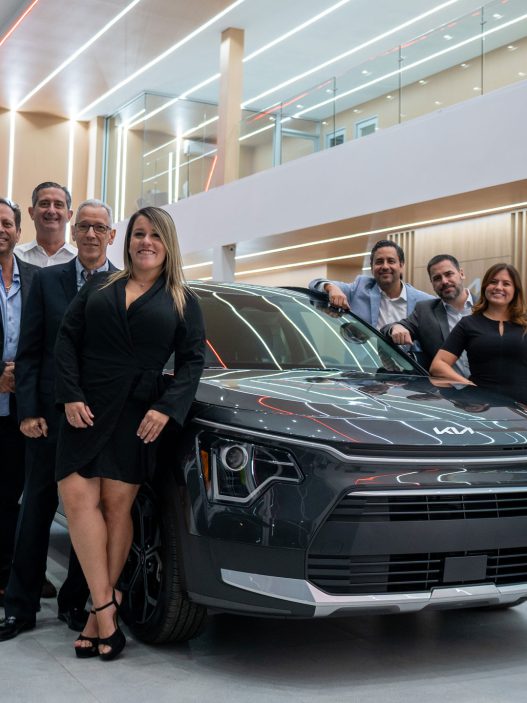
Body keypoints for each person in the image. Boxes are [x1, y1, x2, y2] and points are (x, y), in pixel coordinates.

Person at [54, 206, 205, 660]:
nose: (146, 242)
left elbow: (192, 362)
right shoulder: (101, 284)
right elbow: (66, 339)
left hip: (138, 413)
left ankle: (97, 618)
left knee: (116, 508)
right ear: (127, 240)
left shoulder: (182, 298)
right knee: (77, 498)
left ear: (168, 244)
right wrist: (70, 394)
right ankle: (106, 609)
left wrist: (167, 409)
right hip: (85, 405)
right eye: (139, 234)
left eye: (155, 235)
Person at [0, 199, 117, 642]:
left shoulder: (124, 284)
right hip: (48, 419)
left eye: (99, 227)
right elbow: (29, 353)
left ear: (111, 235)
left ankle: (75, 603)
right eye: (83, 226)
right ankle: (20, 607)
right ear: (73, 230)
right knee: (35, 512)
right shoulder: (47, 281)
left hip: (98, 423)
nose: (90, 234)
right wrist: (28, 411)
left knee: (91, 516)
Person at [0, 199, 38, 605]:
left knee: (12, 496)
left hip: (19, 410)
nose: (1, 229)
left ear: (18, 232)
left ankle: (8, 574)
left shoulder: (33, 278)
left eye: (7, 223)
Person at [430, 263, 527, 403]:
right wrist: (467, 384)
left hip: (521, 407)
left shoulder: (525, 324)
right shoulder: (468, 323)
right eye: (493, 282)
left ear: (515, 290)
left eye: (506, 284)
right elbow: (438, 365)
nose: (498, 287)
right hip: (481, 406)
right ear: (485, 286)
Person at [309, 239, 433, 330]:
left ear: (401, 266)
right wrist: (331, 288)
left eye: (391, 261)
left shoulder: (424, 302)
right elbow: (315, 283)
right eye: (379, 262)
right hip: (366, 359)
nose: (385, 266)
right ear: (372, 267)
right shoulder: (358, 289)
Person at [381, 254, 473, 373]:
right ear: (432, 283)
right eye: (437, 278)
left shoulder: (486, 307)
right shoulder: (425, 311)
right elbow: (386, 329)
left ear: (461, 274)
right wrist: (395, 327)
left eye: (449, 274)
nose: (444, 281)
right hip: (446, 384)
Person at [14, 182, 76, 266]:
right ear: (32, 212)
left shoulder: (79, 260)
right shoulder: (15, 257)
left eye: (58, 205)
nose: (51, 211)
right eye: (44, 204)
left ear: (69, 215)